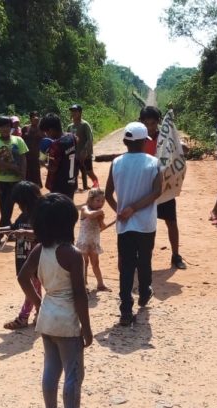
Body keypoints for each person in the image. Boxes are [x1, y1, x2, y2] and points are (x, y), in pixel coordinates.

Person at [17, 193, 92, 408]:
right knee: (73, 374)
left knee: (51, 368)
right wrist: (87, 328)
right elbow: (80, 295)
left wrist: (38, 303)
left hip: (47, 316)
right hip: (67, 321)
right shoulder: (72, 254)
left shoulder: (40, 249)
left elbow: (22, 278)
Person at [105, 122, 162, 326]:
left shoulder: (116, 162)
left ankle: (126, 310)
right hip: (146, 224)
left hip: (125, 226)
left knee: (126, 266)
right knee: (144, 261)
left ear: (124, 142)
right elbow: (157, 192)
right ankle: (144, 292)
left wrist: (120, 212)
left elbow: (107, 195)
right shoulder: (154, 163)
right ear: (145, 142)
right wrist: (135, 208)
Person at [139, 106, 187, 269]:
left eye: (152, 123)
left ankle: (175, 255)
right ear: (141, 123)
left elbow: (176, 146)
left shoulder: (165, 138)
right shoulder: (139, 139)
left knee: (171, 222)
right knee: (145, 225)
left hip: (164, 187)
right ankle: (144, 258)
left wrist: (182, 148)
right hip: (145, 188)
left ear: (158, 122)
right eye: (146, 124)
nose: (150, 127)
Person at [0, 181, 43, 330]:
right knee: (33, 288)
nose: (19, 206)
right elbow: (14, 228)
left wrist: (26, 233)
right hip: (22, 257)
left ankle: (23, 317)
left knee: (31, 287)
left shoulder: (40, 215)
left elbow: (45, 234)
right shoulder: (23, 215)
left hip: (35, 259)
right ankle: (39, 313)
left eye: (20, 203)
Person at [0, 116, 28, 246]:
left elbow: (23, 159)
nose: (5, 129)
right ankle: (10, 232)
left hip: (16, 181)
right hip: (2, 181)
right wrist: (13, 167)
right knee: (4, 209)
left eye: (7, 126)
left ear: (11, 127)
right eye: (2, 127)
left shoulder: (19, 140)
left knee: (8, 208)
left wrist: (22, 174)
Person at [76, 188, 109, 292]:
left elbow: (102, 227)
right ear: (90, 200)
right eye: (98, 200)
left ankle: (100, 284)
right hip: (84, 243)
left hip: (94, 242)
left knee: (96, 264)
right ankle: (83, 285)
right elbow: (90, 215)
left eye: (103, 201)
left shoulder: (99, 214)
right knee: (84, 264)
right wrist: (99, 212)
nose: (101, 203)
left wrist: (101, 220)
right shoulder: (84, 208)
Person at [40, 113, 78, 199]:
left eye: (46, 132)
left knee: (59, 209)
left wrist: (43, 163)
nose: (46, 135)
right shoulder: (72, 137)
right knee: (69, 205)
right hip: (71, 180)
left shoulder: (56, 145)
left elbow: (53, 168)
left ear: (50, 130)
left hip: (59, 184)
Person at [67, 104, 99, 190]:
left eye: (75, 111)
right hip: (74, 154)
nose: (73, 113)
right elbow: (67, 139)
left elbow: (90, 139)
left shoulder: (85, 125)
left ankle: (96, 185)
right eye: (72, 111)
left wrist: (84, 151)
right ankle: (78, 187)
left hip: (85, 154)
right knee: (74, 172)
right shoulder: (70, 127)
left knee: (89, 171)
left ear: (80, 112)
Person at [21, 111, 44, 187]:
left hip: (36, 155)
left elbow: (45, 142)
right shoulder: (25, 128)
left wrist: (43, 156)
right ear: (30, 119)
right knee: (27, 171)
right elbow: (21, 140)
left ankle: (36, 188)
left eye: (37, 116)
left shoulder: (42, 129)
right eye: (34, 117)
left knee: (36, 172)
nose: (36, 118)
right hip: (27, 154)